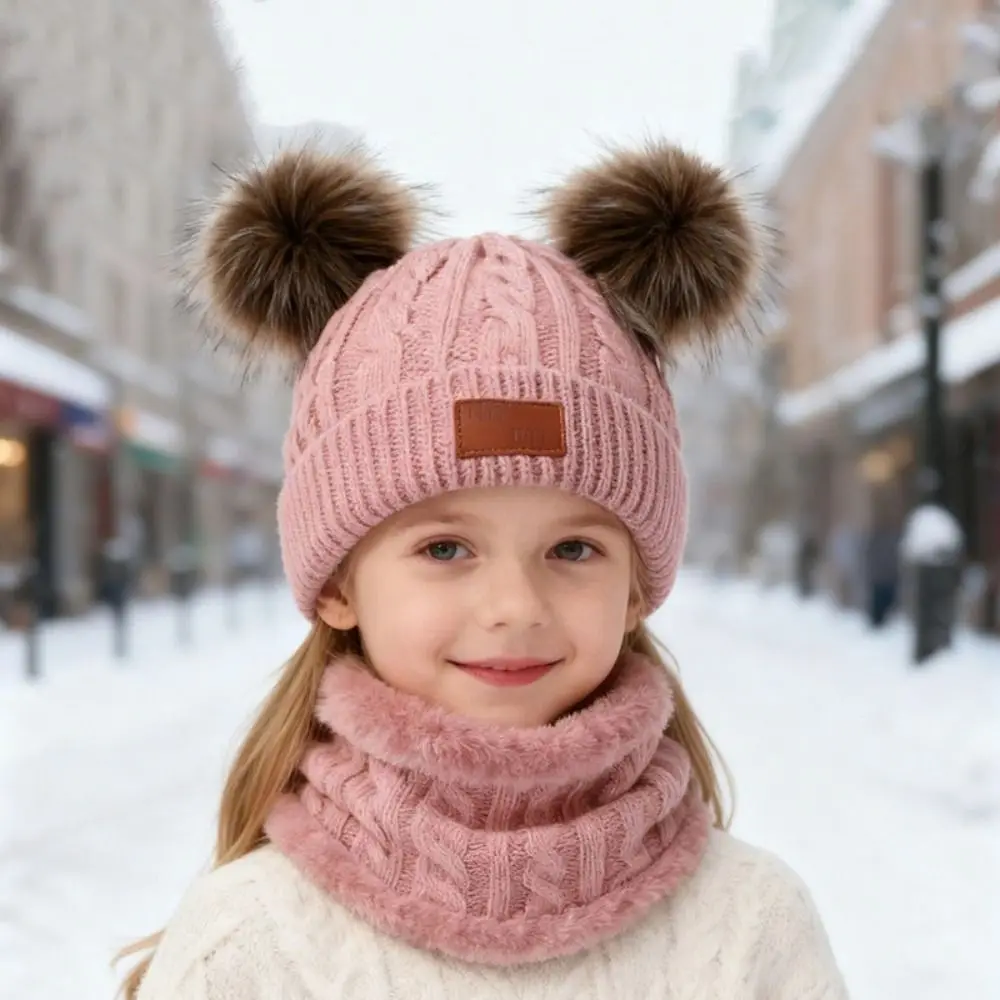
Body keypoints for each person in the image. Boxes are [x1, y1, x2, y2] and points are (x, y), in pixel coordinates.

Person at [120, 140, 848, 998]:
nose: (513, 605)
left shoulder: (751, 925)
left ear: (637, 589)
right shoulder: (246, 943)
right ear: (338, 585)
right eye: (444, 549)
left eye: (574, 549)